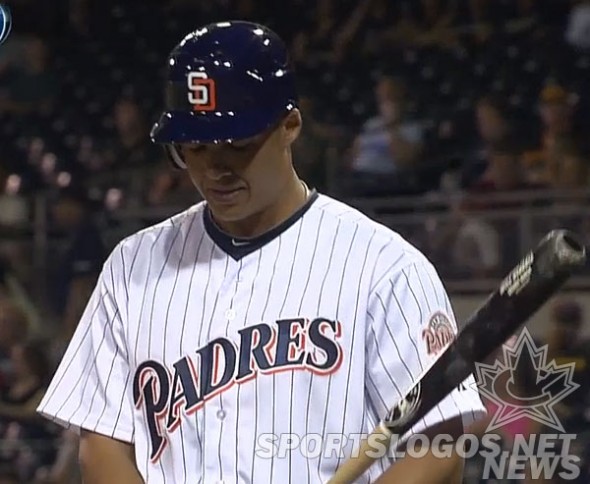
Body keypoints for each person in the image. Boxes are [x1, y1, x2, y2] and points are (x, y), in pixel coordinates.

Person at [36, 21, 486, 483]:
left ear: (290, 125)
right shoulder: (132, 267)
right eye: (195, 148)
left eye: (237, 145)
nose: (215, 168)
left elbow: (437, 444)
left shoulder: (385, 266)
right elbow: (102, 446)